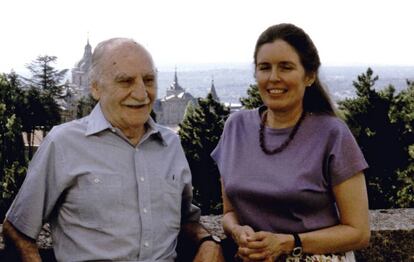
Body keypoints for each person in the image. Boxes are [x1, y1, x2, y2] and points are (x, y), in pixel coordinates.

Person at [3, 38, 224, 262]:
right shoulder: (63, 143)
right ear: (96, 88)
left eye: (148, 80)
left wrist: (208, 242)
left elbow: (185, 218)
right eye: (126, 82)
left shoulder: (170, 144)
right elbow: (17, 229)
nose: (141, 93)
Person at [211, 23, 370, 261]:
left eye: (285, 67)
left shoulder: (332, 134)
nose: (273, 78)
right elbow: (229, 212)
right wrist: (236, 231)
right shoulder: (235, 127)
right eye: (264, 68)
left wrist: (288, 242)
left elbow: (358, 232)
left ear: (309, 75)